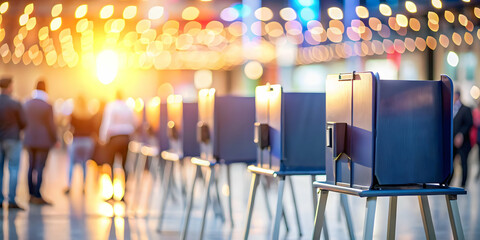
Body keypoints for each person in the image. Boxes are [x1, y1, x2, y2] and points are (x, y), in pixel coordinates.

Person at [24, 80, 56, 205]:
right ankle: (38, 194)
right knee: (40, 167)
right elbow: (51, 125)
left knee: (30, 167)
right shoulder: (47, 105)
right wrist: (55, 139)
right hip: (44, 141)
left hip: (30, 139)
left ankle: (30, 194)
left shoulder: (27, 103)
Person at [99, 90, 136, 199]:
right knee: (125, 165)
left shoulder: (111, 106)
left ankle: (112, 193)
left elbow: (107, 122)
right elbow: (135, 122)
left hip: (114, 138)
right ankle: (124, 193)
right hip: (125, 137)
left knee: (111, 164)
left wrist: (103, 137)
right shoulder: (128, 107)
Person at [0, 77, 27, 210]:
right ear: (9, 87)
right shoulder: (15, 103)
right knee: (14, 169)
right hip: (12, 139)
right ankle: (11, 200)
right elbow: (24, 122)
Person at [65, 95, 96, 194]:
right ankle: (83, 187)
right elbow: (94, 129)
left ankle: (69, 186)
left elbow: (69, 127)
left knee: (71, 164)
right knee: (84, 164)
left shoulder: (74, 114)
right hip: (87, 141)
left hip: (77, 140)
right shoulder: (90, 115)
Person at [450, 90, 473, 187]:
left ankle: (463, 184)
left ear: (458, 96)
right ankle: (449, 181)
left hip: (463, 141)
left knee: (463, 162)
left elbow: (469, 123)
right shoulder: (451, 108)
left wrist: (461, 135)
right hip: (452, 141)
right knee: (450, 162)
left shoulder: (465, 109)